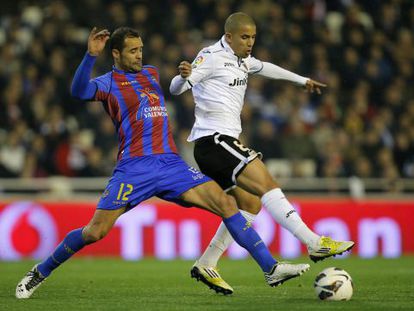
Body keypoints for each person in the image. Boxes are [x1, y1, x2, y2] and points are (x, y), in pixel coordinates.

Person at [15, 27, 311, 299]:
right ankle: (39, 272)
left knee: (228, 204)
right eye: (132, 51)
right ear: (116, 54)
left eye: (141, 49)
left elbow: (181, 86)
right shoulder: (107, 83)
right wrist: (90, 56)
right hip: (135, 167)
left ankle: (270, 268)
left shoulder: (151, 73)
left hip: (171, 165)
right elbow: (78, 91)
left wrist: (186, 75)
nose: (139, 55)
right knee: (95, 232)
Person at [170, 12, 355, 295]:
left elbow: (266, 67)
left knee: (250, 204)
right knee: (268, 184)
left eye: (253, 37)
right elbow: (177, 87)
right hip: (214, 140)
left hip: (220, 145)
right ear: (229, 37)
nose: (250, 42)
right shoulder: (211, 56)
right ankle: (314, 242)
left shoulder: (243, 60)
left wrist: (302, 80)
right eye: (245, 37)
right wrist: (182, 78)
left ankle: (207, 262)